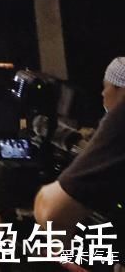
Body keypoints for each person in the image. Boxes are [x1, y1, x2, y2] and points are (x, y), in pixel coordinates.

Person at [34, 56, 125, 230]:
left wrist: (63, 253)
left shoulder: (120, 121)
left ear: (120, 89)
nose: (103, 94)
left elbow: (52, 211)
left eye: (105, 87)